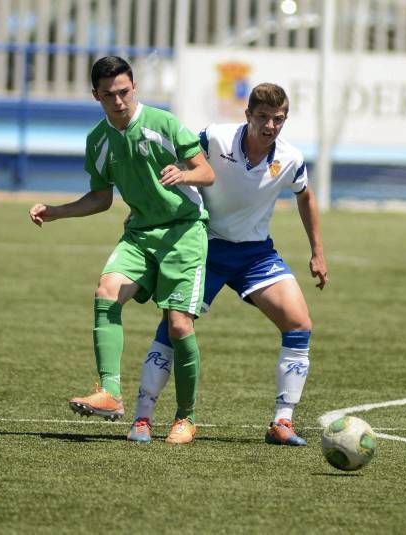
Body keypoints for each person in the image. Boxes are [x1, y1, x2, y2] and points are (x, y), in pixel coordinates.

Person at [126, 83, 328, 446]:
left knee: (299, 323)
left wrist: (317, 250)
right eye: (263, 117)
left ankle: (282, 422)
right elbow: (176, 157)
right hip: (205, 247)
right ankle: (143, 418)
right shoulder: (214, 138)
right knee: (176, 325)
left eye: (278, 119)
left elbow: (306, 196)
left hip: (255, 254)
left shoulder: (291, 159)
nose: (270, 126)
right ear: (248, 115)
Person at [29, 56, 215, 445]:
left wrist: (185, 173)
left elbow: (206, 172)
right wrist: (57, 212)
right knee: (106, 291)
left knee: (179, 325)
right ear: (95, 95)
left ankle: (186, 417)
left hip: (184, 232)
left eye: (125, 92)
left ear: (134, 88)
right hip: (140, 234)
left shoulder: (163, 123)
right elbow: (101, 198)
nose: (119, 101)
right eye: (110, 94)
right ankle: (110, 393)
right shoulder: (97, 140)